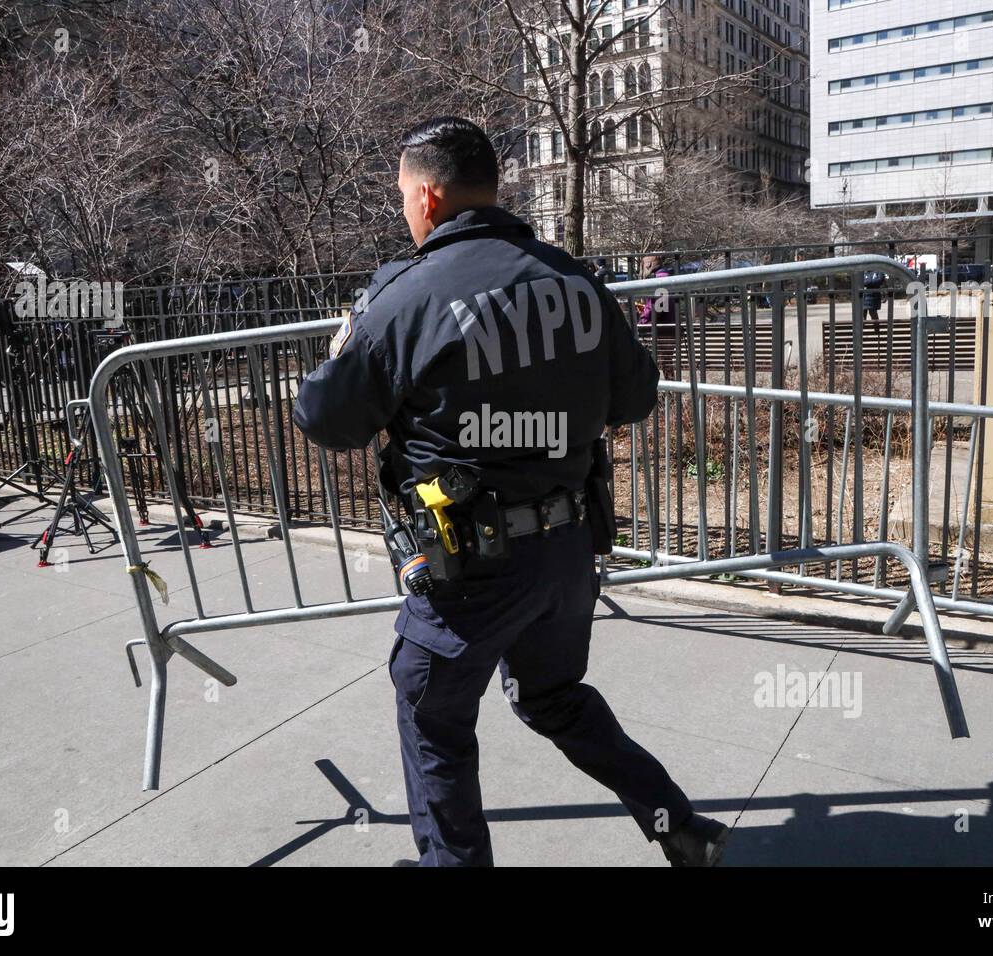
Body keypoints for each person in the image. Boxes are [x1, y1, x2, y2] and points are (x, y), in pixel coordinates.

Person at [291, 117, 728, 867]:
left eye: (402, 197)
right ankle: (680, 827)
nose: (404, 210)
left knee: (434, 716)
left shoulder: (403, 297)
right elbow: (636, 398)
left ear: (427, 197)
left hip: (471, 569)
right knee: (554, 697)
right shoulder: (574, 280)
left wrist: (341, 350)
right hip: (565, 553)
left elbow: (328, 421)